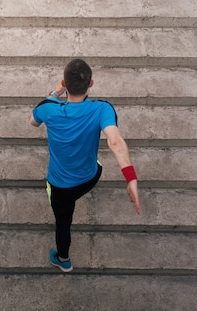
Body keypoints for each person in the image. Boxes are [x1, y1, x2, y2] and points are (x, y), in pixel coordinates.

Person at [30, 58, 141, 273]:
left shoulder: (48, 108)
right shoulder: (102, 108)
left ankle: (64, 260)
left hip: (60, 186)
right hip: (90, 177)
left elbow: (32, 121)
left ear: (64, 83)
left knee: (63, 222)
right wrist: (131, 178)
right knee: (97, 164)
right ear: (91, 83)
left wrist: (54, 93)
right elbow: (115, 141)